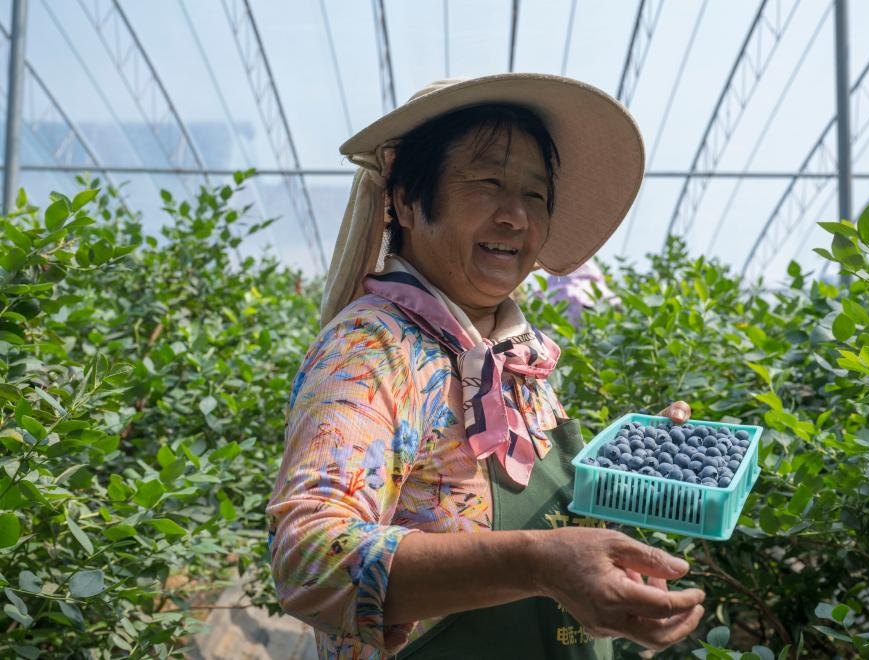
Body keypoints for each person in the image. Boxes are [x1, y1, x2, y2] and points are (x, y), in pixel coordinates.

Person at [266, 73, 705, 659]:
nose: (515, 217)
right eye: (488, 183)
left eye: (534, 195)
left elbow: (544, 514)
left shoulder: (515, 357)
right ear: (405, 199)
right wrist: (537, 564)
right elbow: (308, 557)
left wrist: (636, 461)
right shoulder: (372, 351)